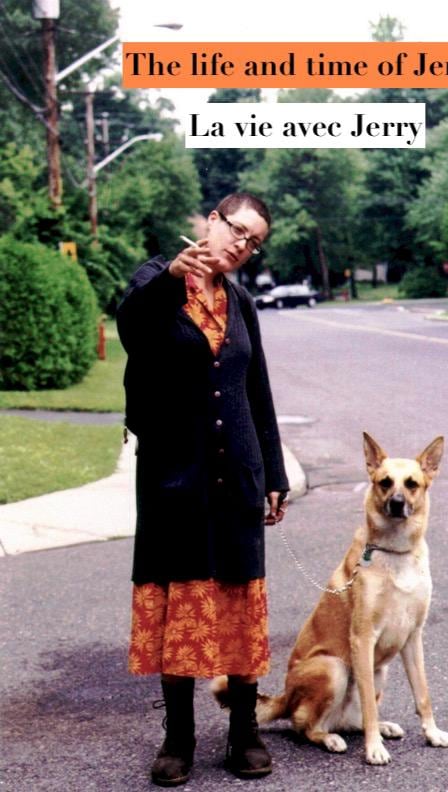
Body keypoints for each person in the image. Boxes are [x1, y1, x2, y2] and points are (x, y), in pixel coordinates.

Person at [116, 192, 289, 786]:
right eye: (238, 230)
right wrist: (172, 276)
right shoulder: (155, 281)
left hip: (237, 475)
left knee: (239, 602)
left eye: (253, 242)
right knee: (180, 604)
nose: (242, 246)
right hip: (174, 479)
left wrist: (273, 473)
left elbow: (257, 389)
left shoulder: (241, 302)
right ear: (212, 220)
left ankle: (244, 732)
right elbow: (134, 329)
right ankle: (179, 738)